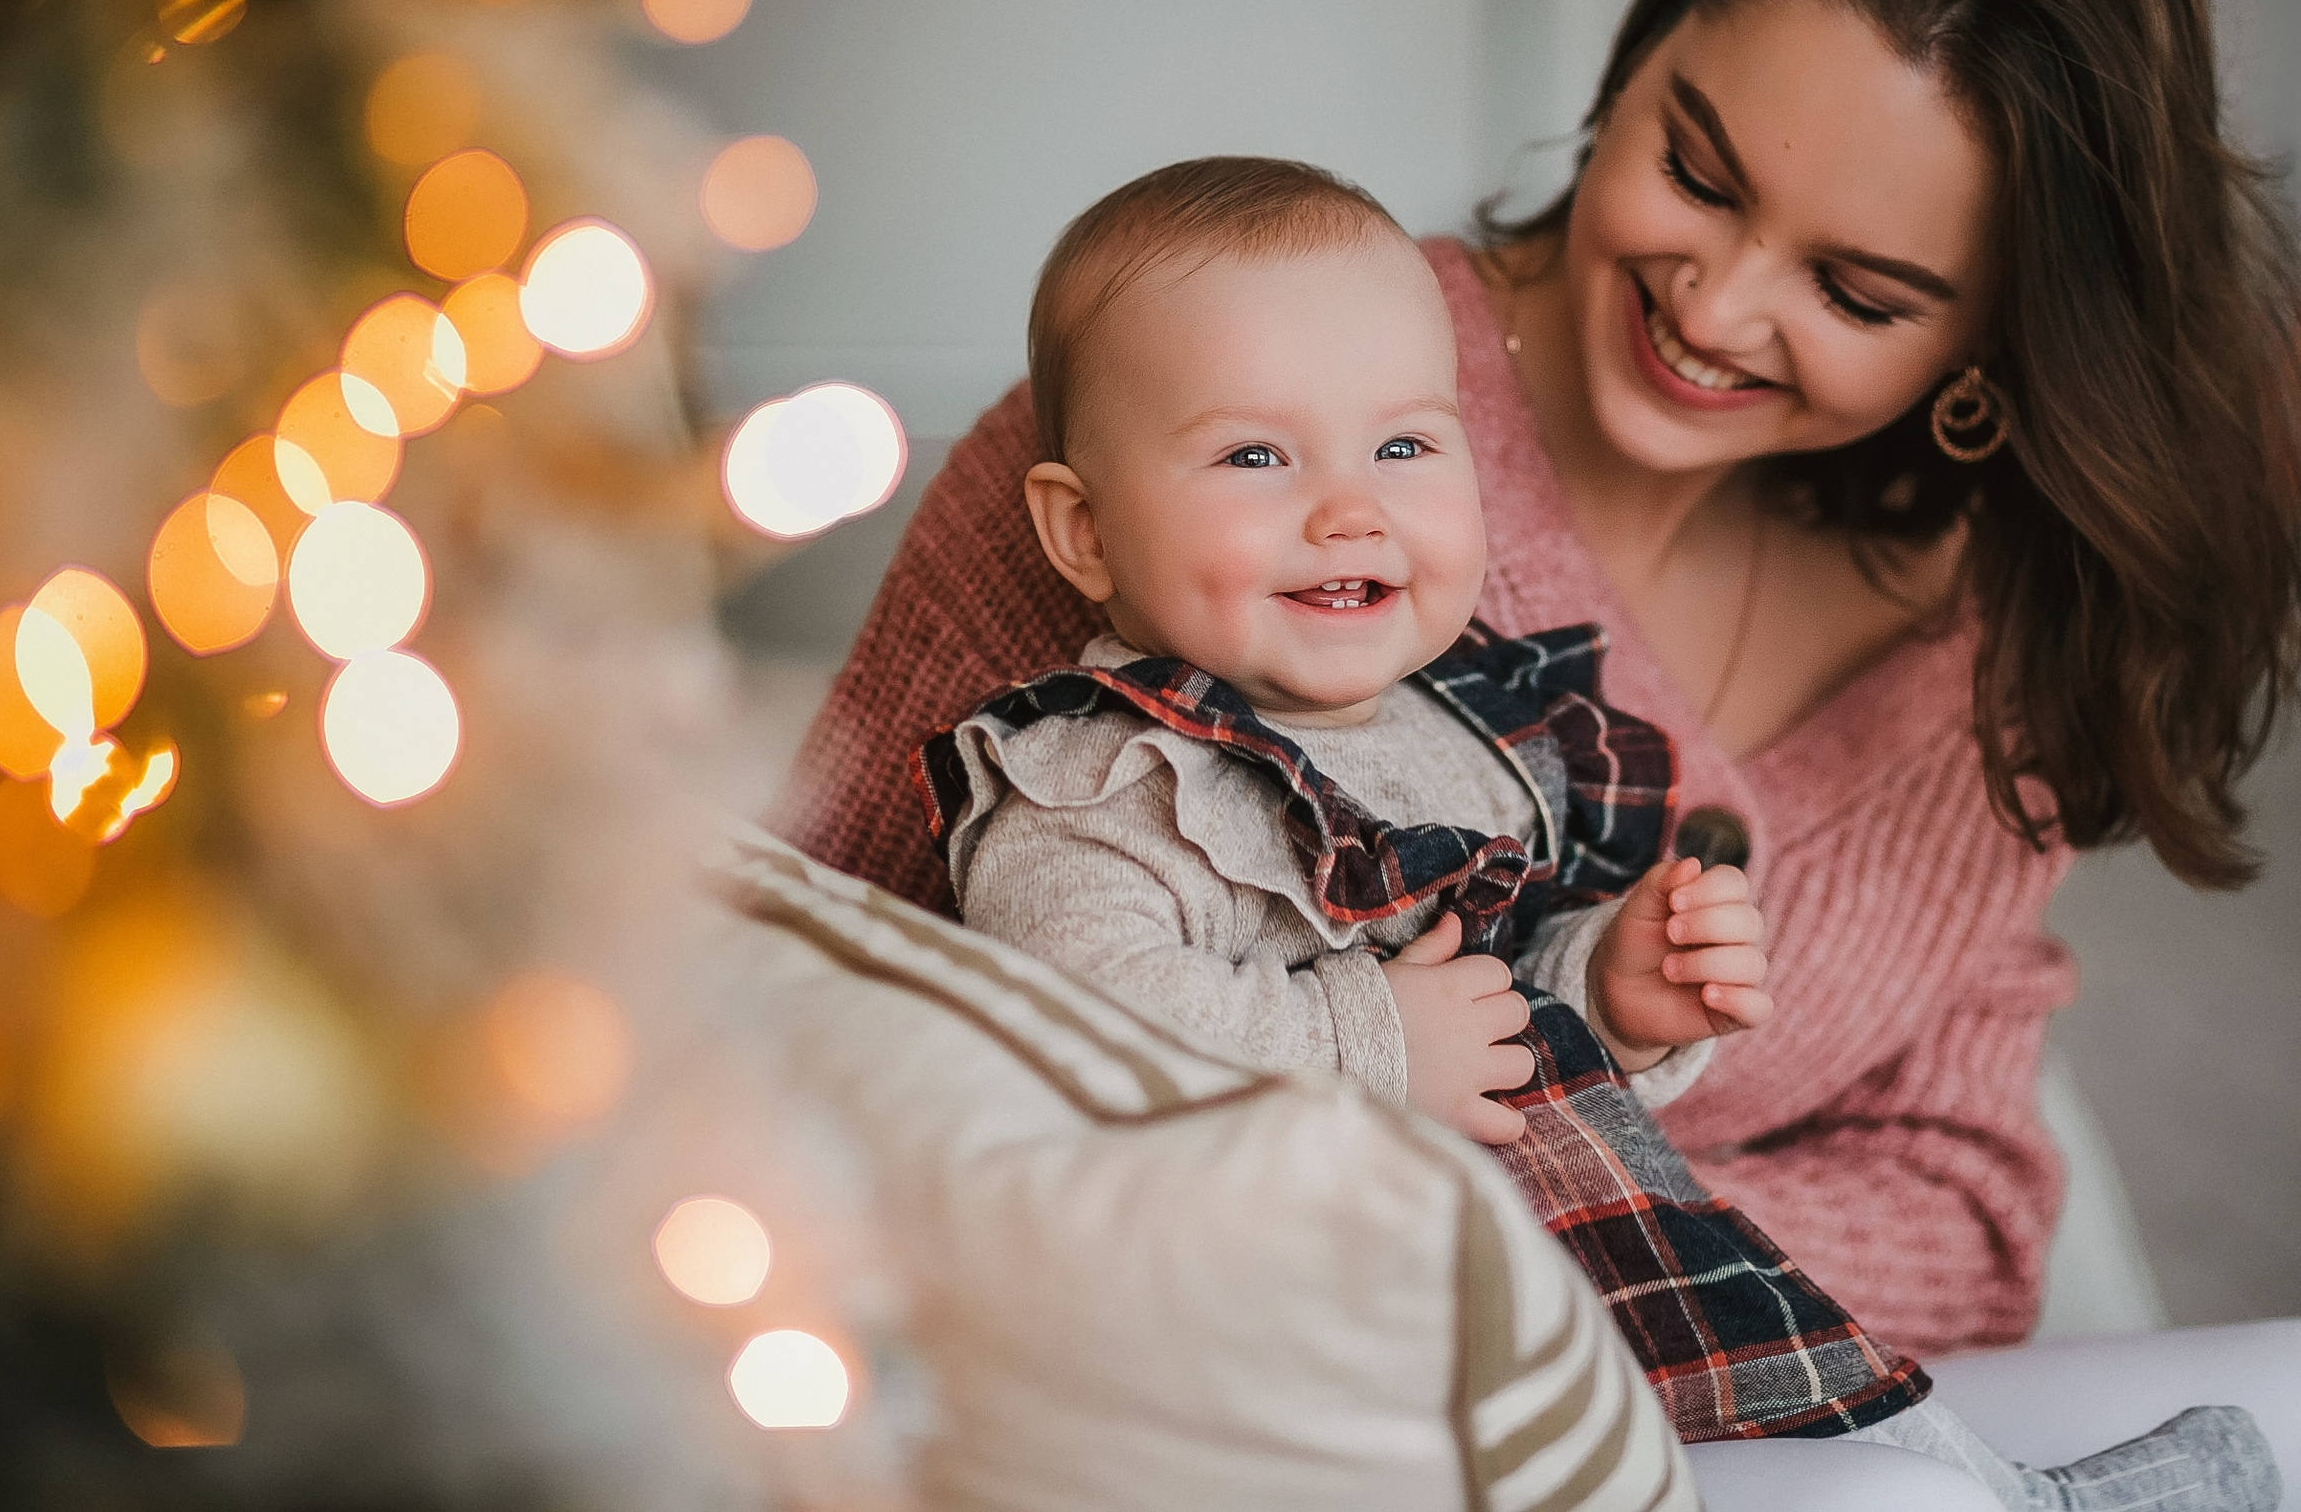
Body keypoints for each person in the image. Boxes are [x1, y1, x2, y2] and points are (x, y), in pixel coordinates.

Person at [770, 0, 2301, 1370]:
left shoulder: (2012, 635)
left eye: (1855, 292)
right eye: (1697, 171)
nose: (1716, 308)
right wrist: (1462, 1201)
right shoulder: (1202, 415)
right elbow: (815, 987)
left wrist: (1538, 1197)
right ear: (1628, 63)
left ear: (1995, 334)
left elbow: (1971, 1222)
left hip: (1707, 1412)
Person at [909, 151, 2274, 1508]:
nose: (1349, 507)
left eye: (1404, 445)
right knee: (1890, 1495)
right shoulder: (1092, 782)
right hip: (1280, 1385)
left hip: (1539, 1331)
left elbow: (1502, 1005)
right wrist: (1373, 1040)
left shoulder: (1464, 735)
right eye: (1255, 455)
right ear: (1084, 531)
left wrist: (1611, 994)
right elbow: (1073, 1038)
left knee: (1935, 1405)